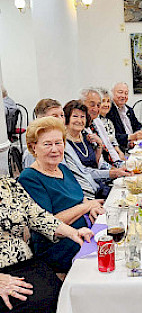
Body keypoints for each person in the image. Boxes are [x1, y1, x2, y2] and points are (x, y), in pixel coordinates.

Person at [18, 117, 105, 273]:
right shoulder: (29, 177)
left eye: (59, 143)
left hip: (86, 231)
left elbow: (79, 198)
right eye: (47, 144)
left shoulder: (62, 168)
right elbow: (49, 222)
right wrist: (87, 206)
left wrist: (90, 208)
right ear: (33, 147)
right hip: (59, 245)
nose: (55, 149)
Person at [0, 177, 93, 313]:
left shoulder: (7, 184)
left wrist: (73, 232)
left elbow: (37, 215)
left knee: (62, 293)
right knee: (37, 302)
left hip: (24, 261)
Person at [63, 100, 130, 199]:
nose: (79, 120)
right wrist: (113, 173)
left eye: (82, 117)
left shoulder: (86, 136)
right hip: (86, 190)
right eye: (75, 116)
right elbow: (83, 173)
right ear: (67, 118)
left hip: (99, 181)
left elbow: (95, 163)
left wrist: (99, 146)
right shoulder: (64, 144)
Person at [81, 87, 125, 166]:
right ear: (82, 104)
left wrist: (118, 163)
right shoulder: (81, 128)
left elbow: (109, 145)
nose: (96, 109)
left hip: (110, 165)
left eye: (98, 105)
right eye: (92, 105)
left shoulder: (97, 121)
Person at [23, 98, 65, 168]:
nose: (61, 120)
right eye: (54, 116)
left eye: (62, 115)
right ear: (41, 119)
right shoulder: (31, 153)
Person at [106, 82, 142, 151]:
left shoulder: (129, 110)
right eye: (120, 92)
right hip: (120, 150)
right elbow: (112, 136)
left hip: (134, 146)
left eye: (126, 93)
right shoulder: (108, 111)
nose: (123, 96)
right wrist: (130, 138)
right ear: (112, 93)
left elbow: (137, 125)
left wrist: (137, 136)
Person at [98, 87, 125, 161]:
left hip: (113, 155)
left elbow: (113, 141)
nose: (106, 104)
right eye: (103, 101)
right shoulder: (95, 123)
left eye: (108, 101)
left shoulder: (108, 122)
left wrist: (120, 153)